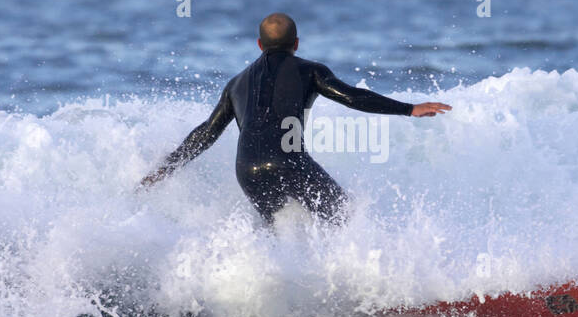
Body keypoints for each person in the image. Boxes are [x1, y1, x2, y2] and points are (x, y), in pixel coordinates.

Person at [140, 13, 450, 223]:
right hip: (289, 160)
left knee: (274, 234)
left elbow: (206, 132)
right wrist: (409, 108)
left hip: (248, 169)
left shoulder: (235, 83)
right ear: (296, 44)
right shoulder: (310, 70)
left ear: (260, 45)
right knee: (344, 217)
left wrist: (167, 168)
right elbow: (352, 97)